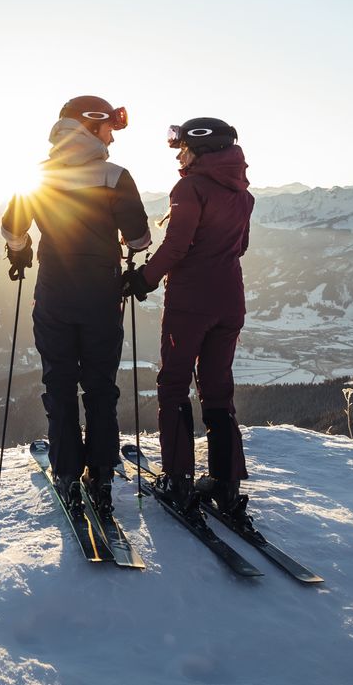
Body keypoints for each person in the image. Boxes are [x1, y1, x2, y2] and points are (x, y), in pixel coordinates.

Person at [2, 95, 151, 517]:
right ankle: (101, 472)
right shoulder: (114, 175)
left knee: (60, 384)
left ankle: (68, 472)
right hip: (102, 296)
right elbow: (139, 239)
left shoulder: (38, 175)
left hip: (53, 294)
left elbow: (12, 229)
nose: (112, 139)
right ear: (90, 125)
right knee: (101, 387)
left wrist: (20, 251)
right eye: (109, 130)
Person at [123, 117, 255, 524]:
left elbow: (176, 247)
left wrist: (141, 279)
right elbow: (242, 246)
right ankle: (226, 482)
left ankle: (178, 479)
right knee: (218, 391)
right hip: (230, 300)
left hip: (191, 303)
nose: (179, 155)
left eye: (183, 148)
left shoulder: (190, 188)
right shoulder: (243, 193)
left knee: (174, 385)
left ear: (202, 147)